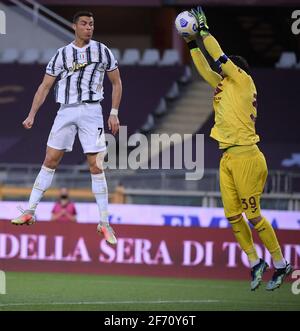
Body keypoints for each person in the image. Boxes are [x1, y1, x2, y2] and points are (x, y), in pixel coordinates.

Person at [181, 6, 292, 291]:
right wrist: (192, 43)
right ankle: (256, 261)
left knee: (253, 215)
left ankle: (281, 264)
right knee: (232, 215)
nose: (220, 69)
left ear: (236, 68)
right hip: (227, 156)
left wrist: (203, 31)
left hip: (247, 156)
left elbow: (217, 56)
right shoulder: (222, 86)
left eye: (226, 67)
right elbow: (206, 67)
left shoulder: (242, 81)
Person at [11, 11, 122, 245]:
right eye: (84, 24)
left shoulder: (103, 51)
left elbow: (116, 82)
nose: (89, 28)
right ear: (74, 26)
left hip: (92, 111)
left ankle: (104, 222)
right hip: (66, 110)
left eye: (91, 24)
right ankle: (30, 210)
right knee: (50, 160)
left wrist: (113, 112)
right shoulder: (61, 55)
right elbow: (44, 86)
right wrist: (32, 114)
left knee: (96, 165)